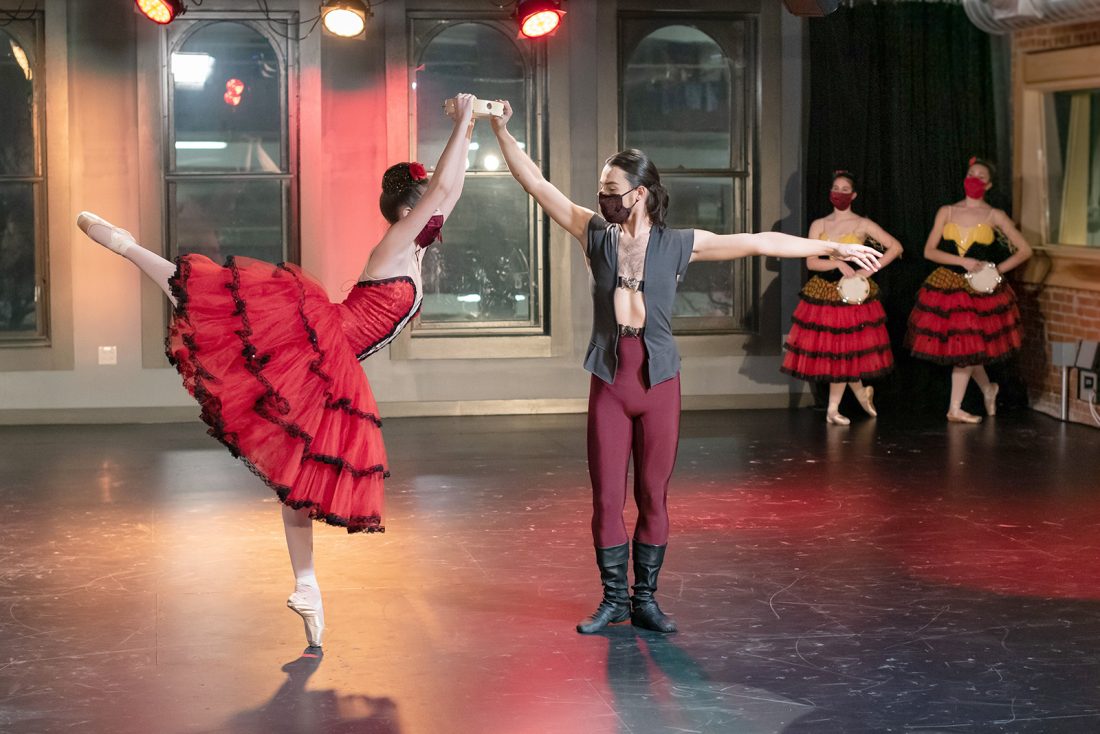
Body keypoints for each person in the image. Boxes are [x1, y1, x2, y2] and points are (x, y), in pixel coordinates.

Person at [75, 94, 479, 649]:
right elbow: (440, 192)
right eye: (426, 206)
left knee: (298, 475)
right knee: (212, 301)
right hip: (320, 342)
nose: (438, 213)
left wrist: (471, 126)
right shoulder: (393, 246)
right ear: (409, 212)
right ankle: (127, 246)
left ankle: (306, 587)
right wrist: (463, 119)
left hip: (331, 366)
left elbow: (449, 191)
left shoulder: (415, 251)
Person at [490, 101, 882, 635]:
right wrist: (501, 128)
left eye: (611, 188)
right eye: (601, 188)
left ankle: (645, 600)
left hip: (659, 382)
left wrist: (834, 246)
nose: (603, 196)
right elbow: (535, 182)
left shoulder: (679, 244)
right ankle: (613, 600)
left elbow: (759, 242)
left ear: (640, 193)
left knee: (653, 495)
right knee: (607, 498)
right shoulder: (593, 233)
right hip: (610, 379)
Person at [907, 156, 1032, 423]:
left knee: (966, 350)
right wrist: (962, 261)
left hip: (981, 291)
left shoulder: (995, 215)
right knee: (965, 349)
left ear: (989, 185)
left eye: (980, 177)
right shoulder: (947, 211)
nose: (974, 179)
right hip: (950, 287)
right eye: (971, 174)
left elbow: (1025, 250)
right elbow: (929, 251)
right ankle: (987, 389)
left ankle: (956, 408)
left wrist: (995, 271)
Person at [781, 170, 903, 425]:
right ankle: (858, 394)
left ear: (854, 195)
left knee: (844, 351)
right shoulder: (819, 224)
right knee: (836, 351)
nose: (839, 193)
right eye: (835, 188)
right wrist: (837, 263)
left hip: (853, 294)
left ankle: (833, 409)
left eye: (845, 189)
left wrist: (866, 271)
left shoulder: (863, 224)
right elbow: (812, 262)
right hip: (825, 293)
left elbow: (895, 247)